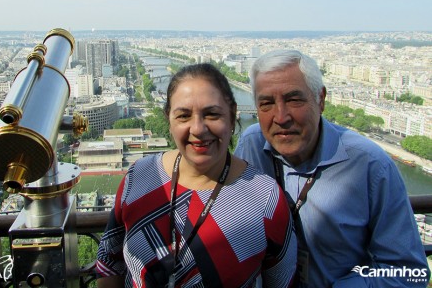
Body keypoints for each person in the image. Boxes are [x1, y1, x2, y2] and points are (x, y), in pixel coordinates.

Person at [234, 49, 430, 288]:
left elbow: (409, 272)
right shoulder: (252, 143)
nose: (281, 116)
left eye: (294, 100)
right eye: (266, 104)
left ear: (321, 99)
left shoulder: (371, 165)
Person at [96, 63, 298, 287]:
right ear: (169, 121)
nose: (198, 129)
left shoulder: (265, 198)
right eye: (183, 116)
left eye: (212, 114)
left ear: (232, 118)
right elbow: (109, 262)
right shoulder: (138, 177)